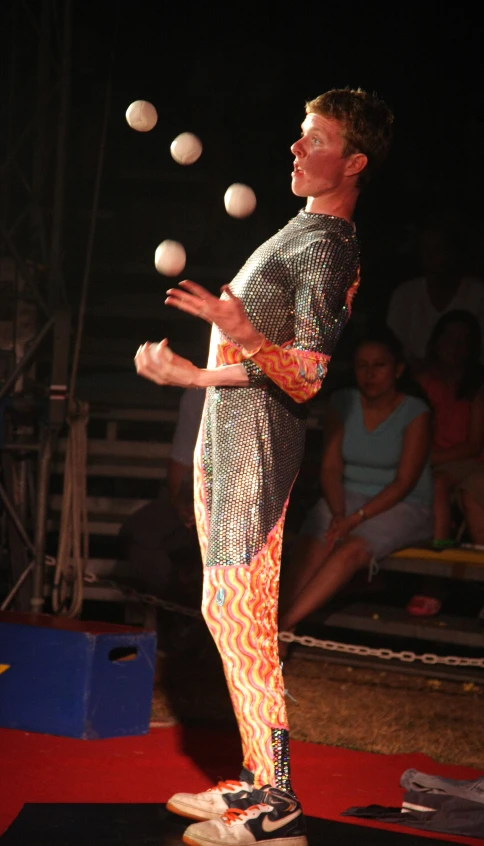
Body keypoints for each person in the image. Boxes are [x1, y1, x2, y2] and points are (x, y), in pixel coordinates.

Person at [135, 87, 393, 846]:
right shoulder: (300, 228)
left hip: (257, 450)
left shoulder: (330, 244)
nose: (294, 148)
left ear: (352, 161)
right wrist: (192, 376)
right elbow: (261, 363)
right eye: (298, 135)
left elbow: (307, 375)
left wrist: (242, 330)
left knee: (243, 618)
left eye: (313, 139)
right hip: (231, 433)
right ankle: (258, 780)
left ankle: (277, 805)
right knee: (225, 612)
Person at [278, 327, 433, 642]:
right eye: (362, 365)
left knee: (351, 549)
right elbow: (331, 468)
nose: (369, 374)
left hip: (403, 503)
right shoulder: (342, 402)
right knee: (313, 540)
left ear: (398, 369)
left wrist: (354, 519)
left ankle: (281, 628)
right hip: (344, 495)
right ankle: (280, 623)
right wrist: (338, 513)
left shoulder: (416, 411)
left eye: (379, 365)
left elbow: (404, 482)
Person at [117, 388, 205, 601]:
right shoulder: (199, 393)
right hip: (196, 500)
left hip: (241, 511)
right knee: (137, 534)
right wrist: (181, 502)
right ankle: (176, 602)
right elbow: (179, 463)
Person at [416, 310, 484, 548]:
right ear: (435, 342)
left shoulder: (476, 386)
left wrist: (429, 459)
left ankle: (440, 555)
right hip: (428, 459)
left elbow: (474, 445)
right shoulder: (420, 383)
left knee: (438, 483)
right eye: (449, 339)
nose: (455, 347)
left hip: (468, 461)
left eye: (463, 342)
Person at [387, 216, 484, 367]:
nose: (430, 256)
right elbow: (393, 349)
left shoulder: (477, 294)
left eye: (437, 249)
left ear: (453, 252)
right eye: (425, 249)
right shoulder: (405, 295)